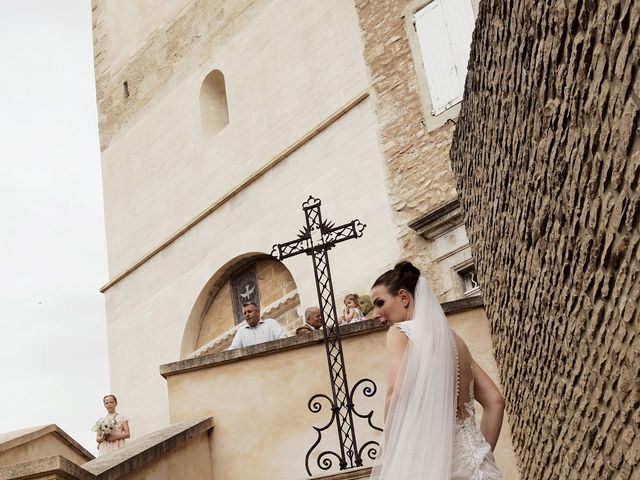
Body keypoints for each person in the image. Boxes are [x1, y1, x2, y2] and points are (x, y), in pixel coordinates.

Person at [369, 261, 504, 479]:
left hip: (434, 465)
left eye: (379, 302)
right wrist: (479, 457)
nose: (375, 313)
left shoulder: (400, 333)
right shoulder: (455, 341)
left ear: (403, 297)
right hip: (482, 470)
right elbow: (495, 401)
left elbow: (396, 392)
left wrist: (392, 450)